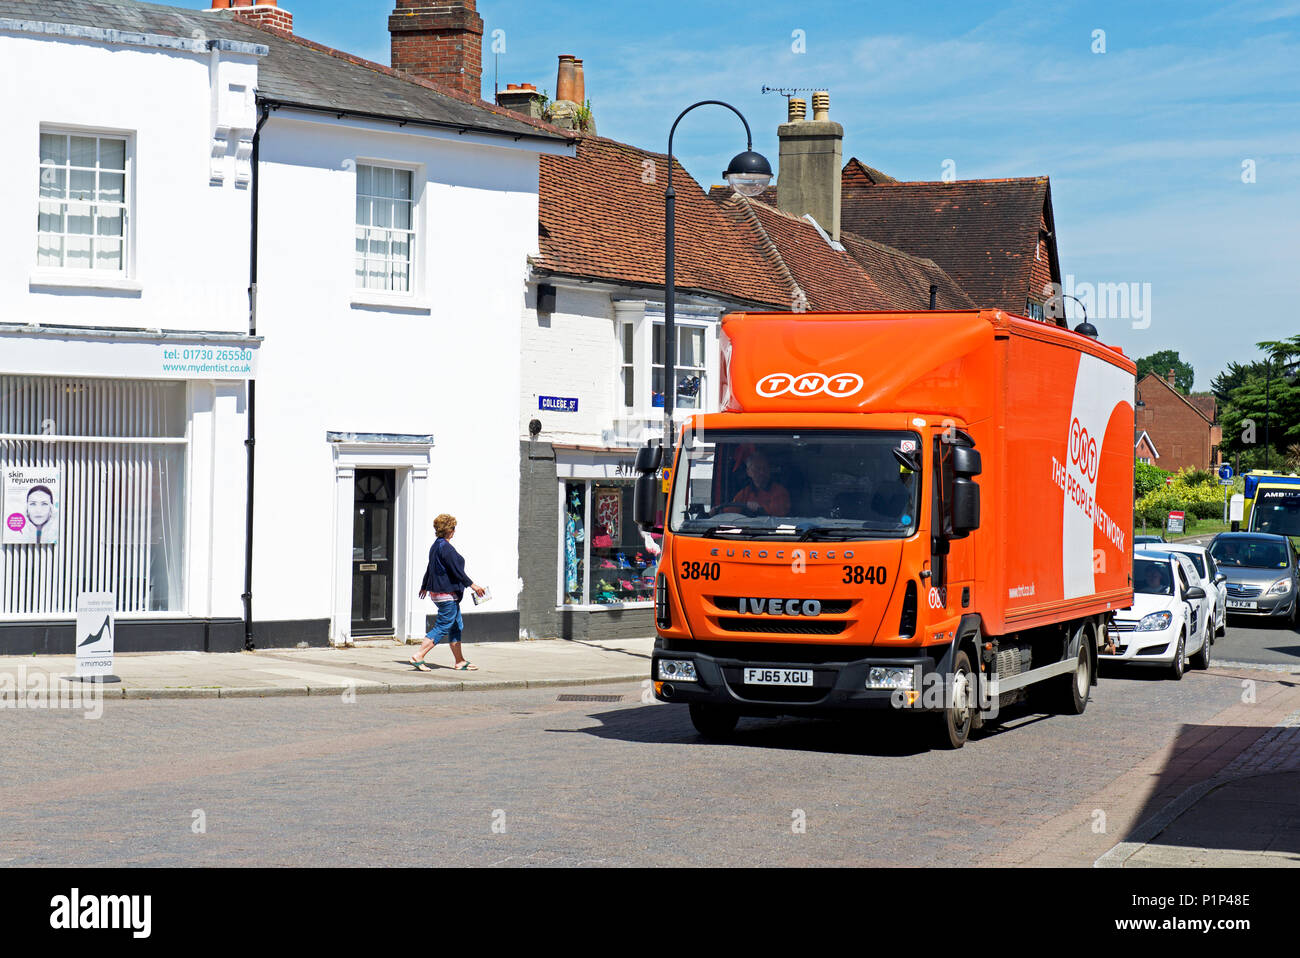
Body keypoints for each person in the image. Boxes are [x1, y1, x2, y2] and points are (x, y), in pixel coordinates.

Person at [410, 513, 485, 671]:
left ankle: (459, 661)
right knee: (443, 626)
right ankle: (419, 655)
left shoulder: (435, 545)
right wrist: (473, 586)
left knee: (456, 625)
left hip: (438, 593)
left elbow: (430, 567)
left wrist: (425, 585)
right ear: (449, 530)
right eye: (453, 528)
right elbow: (457, 571)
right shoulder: (446, 548)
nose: (454, 531)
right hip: (446, 594)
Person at [727, 449, 791, 516]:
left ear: (769, 470)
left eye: (764, 468)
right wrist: (717, 510)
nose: (762, 472)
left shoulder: (780, 492)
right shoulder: (744, 493)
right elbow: (731, 512)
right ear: (748, 472)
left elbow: (779, 512)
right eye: (757, 469)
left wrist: (759, 507)